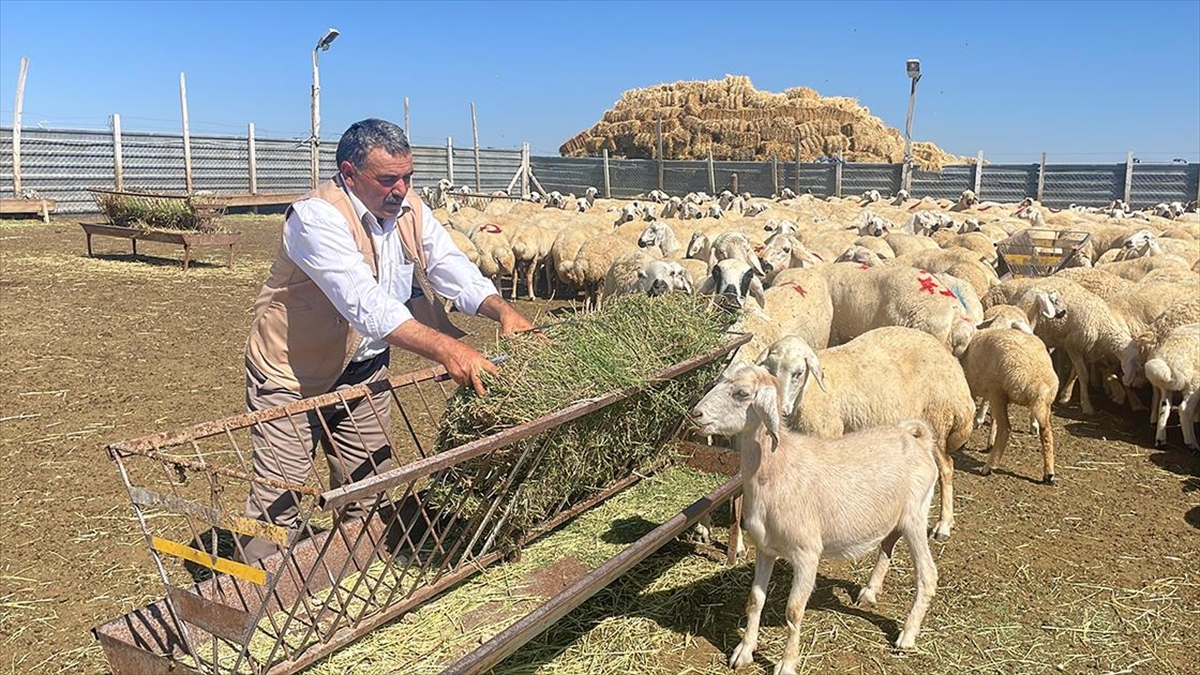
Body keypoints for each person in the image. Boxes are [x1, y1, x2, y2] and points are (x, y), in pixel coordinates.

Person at [238, 118, 534, 562]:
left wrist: (504, 311)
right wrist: (448, 348)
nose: (400, 189)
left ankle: (349, 576)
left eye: (408, 177)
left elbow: (450, 266)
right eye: (387, 179)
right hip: (291, 373)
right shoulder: (315, 217)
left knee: (369, 487)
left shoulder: (410, 209)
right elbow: (364, 303)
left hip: (364, 371)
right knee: (278, 497)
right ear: (349, 173)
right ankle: (248, 593)